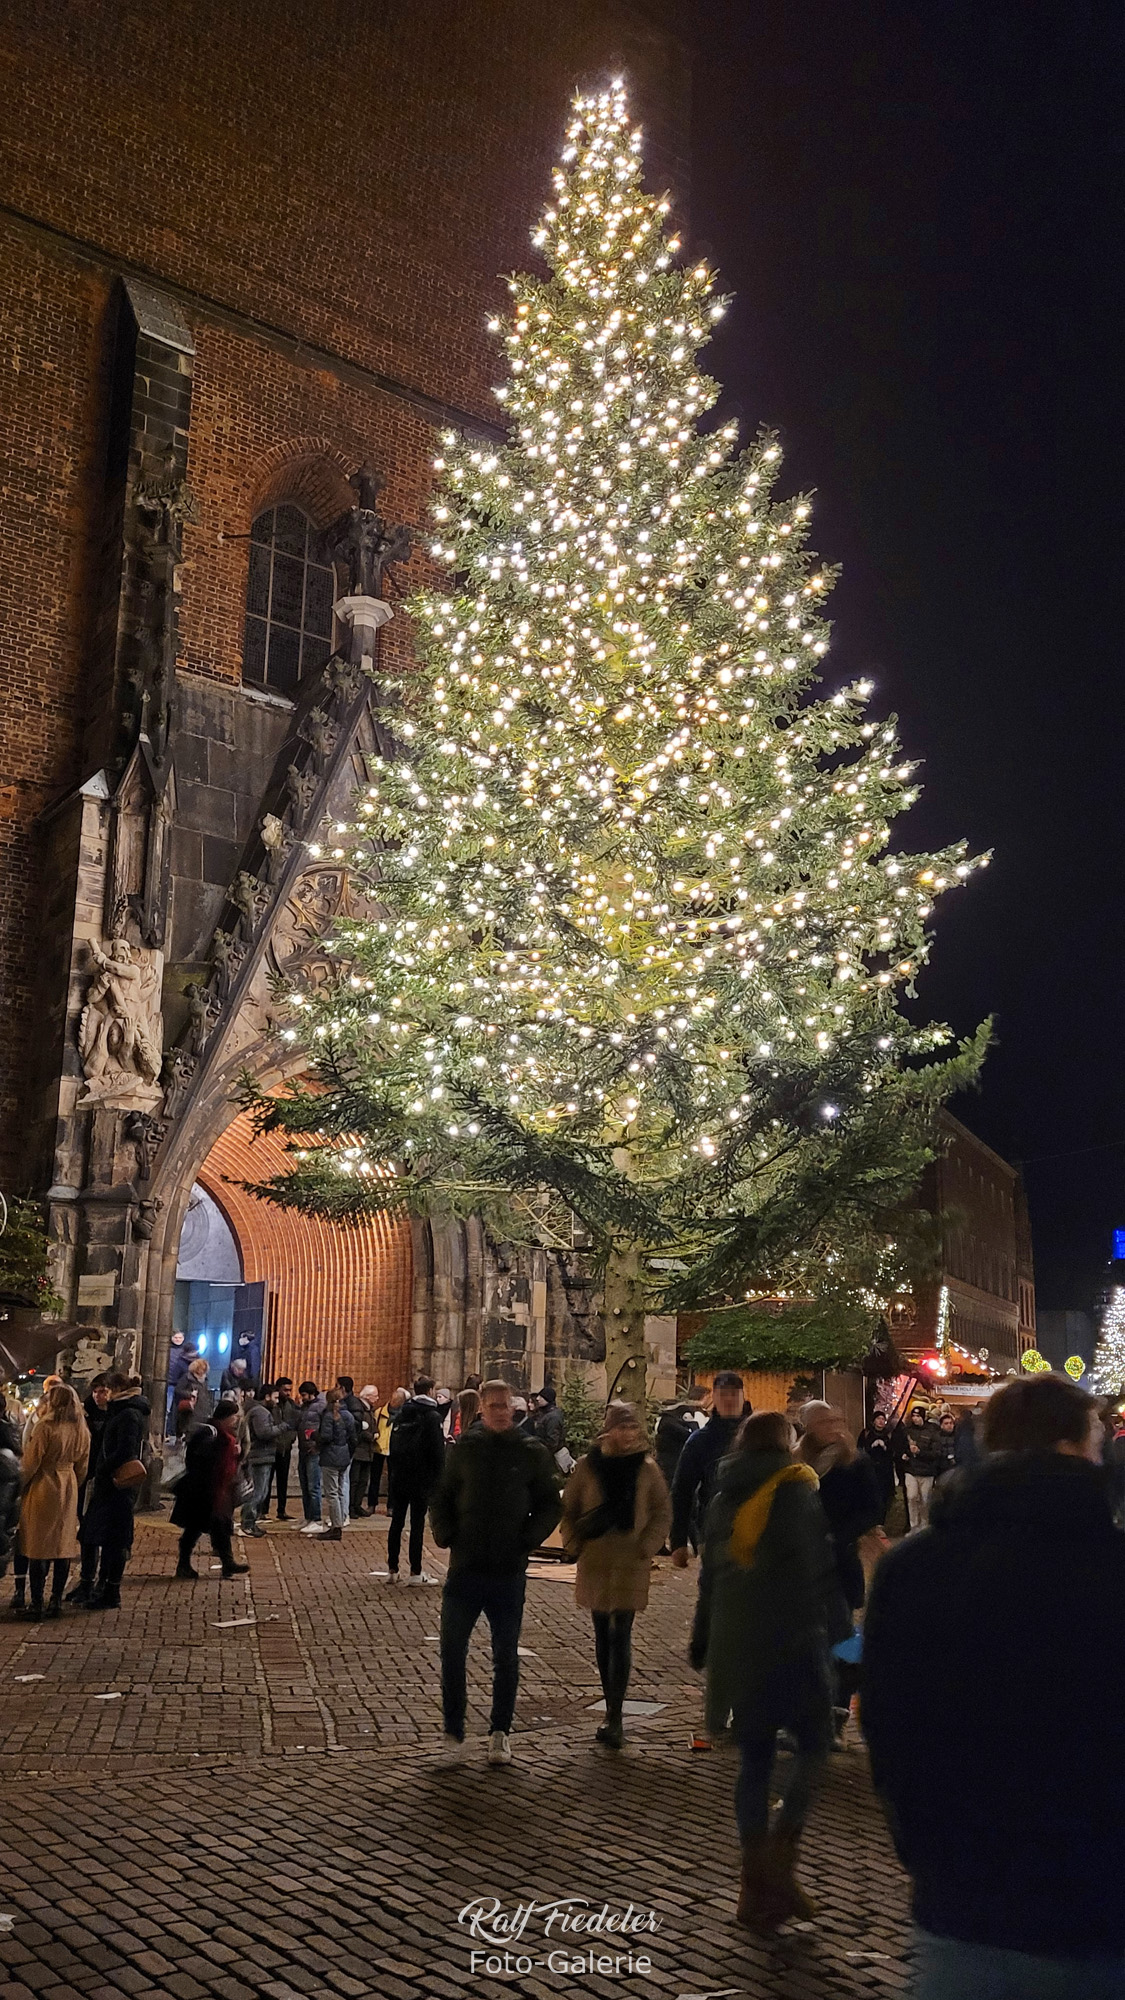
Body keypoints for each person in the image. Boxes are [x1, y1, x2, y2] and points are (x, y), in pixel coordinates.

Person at [863, 1372, 1125, 2000]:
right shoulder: (1111, 1563)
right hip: (1102, 1895)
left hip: (965, 1892)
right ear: (1074, 1445)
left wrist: (924, 1848)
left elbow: (888, 1720)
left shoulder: (915, 1564)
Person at [701, 1410, 850, 1934]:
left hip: (740, 1646)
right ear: (786, 1443)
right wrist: (845, 1643)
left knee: (756, 1759)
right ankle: (778, 1859)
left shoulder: (723, 1497)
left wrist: (704, 1642)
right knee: (813, 1748)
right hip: (792, 1645)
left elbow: (710, 1576)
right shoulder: (796, 1492)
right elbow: (817, 1573)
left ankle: (752, 1883)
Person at [429, 1378, 561, 1763]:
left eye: (507, 1406)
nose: (502, 1412)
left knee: (506, 1653)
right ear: (483, 1408)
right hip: (466, 1566)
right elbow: (443, 1494)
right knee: (452, 1649)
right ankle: (453, 1732)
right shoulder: (466, 1450)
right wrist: (446, 1532)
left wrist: (526, 1540)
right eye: (495, 1406)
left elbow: (551, 1503)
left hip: (507, 1569)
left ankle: (500, 1731)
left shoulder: (530, 1451)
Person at [561, 1400, 671, 1749]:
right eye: (621, 1427)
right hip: (596, 1559)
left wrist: (646, 1547)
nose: (627, 1434)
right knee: (601, 1633)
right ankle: (610, 1707)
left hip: (629, 1560)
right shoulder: (588, 1466)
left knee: (621, 1632)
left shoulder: (647, 1469)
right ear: (609, 1429)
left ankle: (616, 1714)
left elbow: (661, 1512)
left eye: (632, 1427)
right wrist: (574, 1544)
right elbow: (570, 1509)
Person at [795, 1400, 882, 1740]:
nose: (830, 1427)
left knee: (843, 1637)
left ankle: (837, 1713)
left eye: (833, 1420)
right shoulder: (796, 1460)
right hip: (801, 1562)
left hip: (839, 1561)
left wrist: (841, 1537)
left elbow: (872, 1507)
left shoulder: (853, 1461)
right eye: (821, 1421)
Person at [76, 1372, 150, 1610]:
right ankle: (101, 1587)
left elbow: (124, 1450)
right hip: (109, 1485)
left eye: (107, 1389)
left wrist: (103, 1468)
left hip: (117, 1486)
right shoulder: (122, 1410)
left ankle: (110, 1590)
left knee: (115, 1539)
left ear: (116, 1389)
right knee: (101, 1536)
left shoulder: (128, 1413)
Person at [17, 1382, 90, 1620]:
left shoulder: (46, 1427)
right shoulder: (81, 1428)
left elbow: (31, 1462)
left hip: (44, 1484)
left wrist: (21, 1485)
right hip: (67, 1484)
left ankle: (36, 1603)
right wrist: (72, 1482)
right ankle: (55, 1601)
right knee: (62, 1545)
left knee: (38, 1546)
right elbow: (83, 1466)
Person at [670, 1371, 749, 1563]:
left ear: (743, 1396)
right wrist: (678, 1541)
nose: (729, 1399)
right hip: (715, 1531)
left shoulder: (760, 1432)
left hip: (759, 1530)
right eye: (723, 1394)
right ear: (714, 1397)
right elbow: (682, 1489)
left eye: (734, 1394)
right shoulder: (700, 1441)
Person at [171, 1397, 250, 1579]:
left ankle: (227, 1563)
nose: (236, 1420)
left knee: (218, 1527)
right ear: (226, 1416)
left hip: (215, 1491)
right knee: (196, 1528)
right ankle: (185, 1565)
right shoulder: (210, 1433)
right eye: (233, 1416)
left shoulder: (220, 1433)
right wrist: (227, 1450)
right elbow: (200, 1459)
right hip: (203, 1491)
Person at [386, 1375, 446, 1581]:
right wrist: (438, 1479)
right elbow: (437, 1452)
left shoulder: (403, 1412)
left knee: (397, 1522)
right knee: (417, 1524)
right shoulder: (432, 1416)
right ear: (430, 1390)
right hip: (421, 1478)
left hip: (400, 1475)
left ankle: (392, 1569)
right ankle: (416, 1571)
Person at [242, 1385, 282, 1537]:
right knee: (257, 1492)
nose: (277, 1401)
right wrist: (282, 1427)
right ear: (267, 1396)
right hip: (260, 1455)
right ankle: (247, 1523)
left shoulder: (260, 1411)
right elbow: (264, 1433)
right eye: (275, 1397)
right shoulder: (260, 1412)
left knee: (262, 1492)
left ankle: (250, 1523)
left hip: (263, 1455)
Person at [316, 1388, 355, 1540]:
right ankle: (339, 1522)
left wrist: (313, 1435)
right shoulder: (349, 1415)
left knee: (331, 1493)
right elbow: (353, 1437)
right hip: (344, 1455)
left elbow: (325, 1436)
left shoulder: (329, 1415)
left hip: (330, 1456)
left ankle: (336, 1526)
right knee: (339, 1492)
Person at [902, 1404, 946, 1529]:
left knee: (925, 1500)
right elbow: (902, 1446)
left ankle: (924, 1525)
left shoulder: (932, 1431)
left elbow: (936, 1452)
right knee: (911, 1497)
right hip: (911, 1469)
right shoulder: (908, 1430)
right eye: (913, 1416)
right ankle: (914, 1525)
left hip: (927, 1471)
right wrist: (905, 1454)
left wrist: (920, 1452)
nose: (915, 1419)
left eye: (917, 1416)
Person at [337, 1376, 375, 1517]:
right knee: (353, 1480)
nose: (377, 1398)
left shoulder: (354, 1405)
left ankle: (354, 1505)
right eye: (375, 1396)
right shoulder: (356, 1405)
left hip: (363, 1448)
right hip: (359, 1448)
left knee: (360, 1480)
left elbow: (358, 1425)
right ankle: (351, 1507)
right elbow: (359, 1426)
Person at [262, 1375, 298, 1519]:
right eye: (285, 1390)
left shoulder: (291, 1404)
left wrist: (290, 1439)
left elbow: (294, 1423)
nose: (288, 1393)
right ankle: (263, 1511)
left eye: (290, 1390)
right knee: (267, 1481)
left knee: (283, 1481)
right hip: (272, 1447)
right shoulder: (271, 1406)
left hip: (285, 1448)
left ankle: (281, 1510)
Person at [655, 1395, 703, 1494]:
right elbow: (692, 1437)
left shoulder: (668, 1422)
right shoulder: (668, 1423)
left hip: (674, 1463)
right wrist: (693, 1424)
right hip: (670, 1466)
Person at [78, 1374, 111, 1518]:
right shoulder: (85, 1412)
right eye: (95, 1392)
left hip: (106, 1463)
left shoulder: (115, 1414)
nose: (98, 1396)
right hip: (87, 1462)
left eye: (102, 1392)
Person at [858, 1409, 898, 1521]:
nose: (881, 1421)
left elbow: (894, 1451)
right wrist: (871, 1447)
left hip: (885, 1471)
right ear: (874, 1421)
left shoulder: (888, 1435)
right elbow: (860, 1449)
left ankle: (881, 1521)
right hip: (870, 1469)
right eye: (878, 1419)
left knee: (884, 1496)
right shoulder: (866, 1433)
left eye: (883, 1419)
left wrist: (885, 1447)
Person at [296, 1381, 325, 1530]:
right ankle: (308, 1517)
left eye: (304, 1395)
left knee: (313, 1486)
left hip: (313, 1450)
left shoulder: (320, 1406)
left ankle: (316, 1518)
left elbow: (323, 1428)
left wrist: (316, 1445)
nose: (302, 1398)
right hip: (304, 1448)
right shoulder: (305, 1407)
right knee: (305, 1485)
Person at [373, 1388, 405, 1515]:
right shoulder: (380, 1412)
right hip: (379, 1447)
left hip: (394, 1449)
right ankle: (372, 1503)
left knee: (393, 1479)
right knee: (375, 1477)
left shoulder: (403, 1415)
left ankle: (391, 1506)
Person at [179, 1356, 214, 1437]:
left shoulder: (204, 1380)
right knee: (191, 1429)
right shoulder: (187, 1377)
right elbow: (178, 1390)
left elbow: (205, 1393)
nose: (203, 1372)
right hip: (191, 1409)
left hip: (203, 1408)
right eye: (202, 1369)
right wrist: (190, 1394)